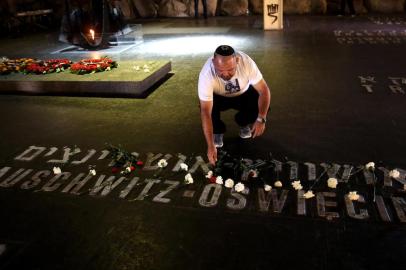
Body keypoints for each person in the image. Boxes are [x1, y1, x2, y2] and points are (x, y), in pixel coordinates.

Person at [198, 45, 271, 165]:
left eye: (230, 69)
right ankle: (217, 131)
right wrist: (210, 145)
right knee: (206, 108)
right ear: (213, 62)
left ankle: (243, 122)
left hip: (243, 94)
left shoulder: (246, 63)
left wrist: (261, 118)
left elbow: (264, 90)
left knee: (262, 107)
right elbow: (205, 112)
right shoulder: (206, 74)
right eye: (220, 70)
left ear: (237, 61)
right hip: (218, 98)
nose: (225, 74)